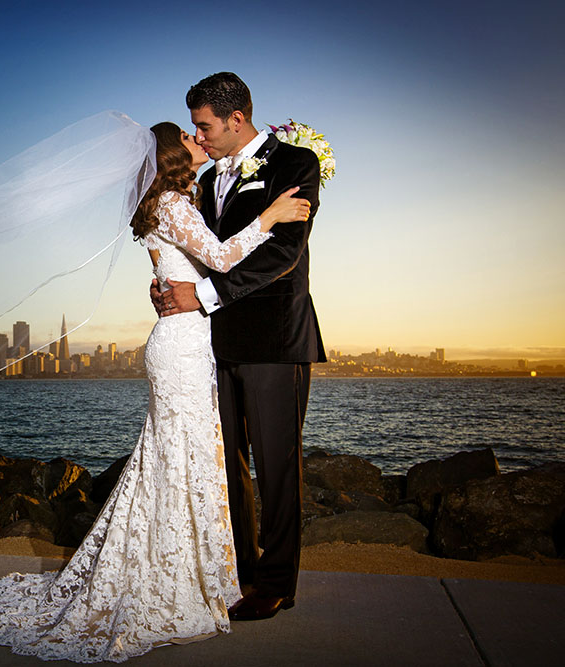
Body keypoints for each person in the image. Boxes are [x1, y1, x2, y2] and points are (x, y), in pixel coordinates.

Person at [0, 121, 310, 662]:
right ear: (170, 156)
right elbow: (222, 258)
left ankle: (190, 568)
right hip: (184, 347)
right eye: (187, 136)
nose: (196, 138)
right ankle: (179, 575)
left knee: (175, 459)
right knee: (184, 458)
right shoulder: (174, 204)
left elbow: (187, 261)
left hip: (188, 341)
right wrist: (271, 216)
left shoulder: (169, 203)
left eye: (200, 129)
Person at [154, 72, 326, 621]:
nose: (199, 137)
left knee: (277, 468)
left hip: (275, 337)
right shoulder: (205, 181)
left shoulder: (294, 163)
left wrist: (201, 295)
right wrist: (168, 282)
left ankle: (276, 584)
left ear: (237, 118)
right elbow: (202, 247)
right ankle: (241, 572)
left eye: (205, 126)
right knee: (226, 463)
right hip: (214, 343)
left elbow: (283, 254)